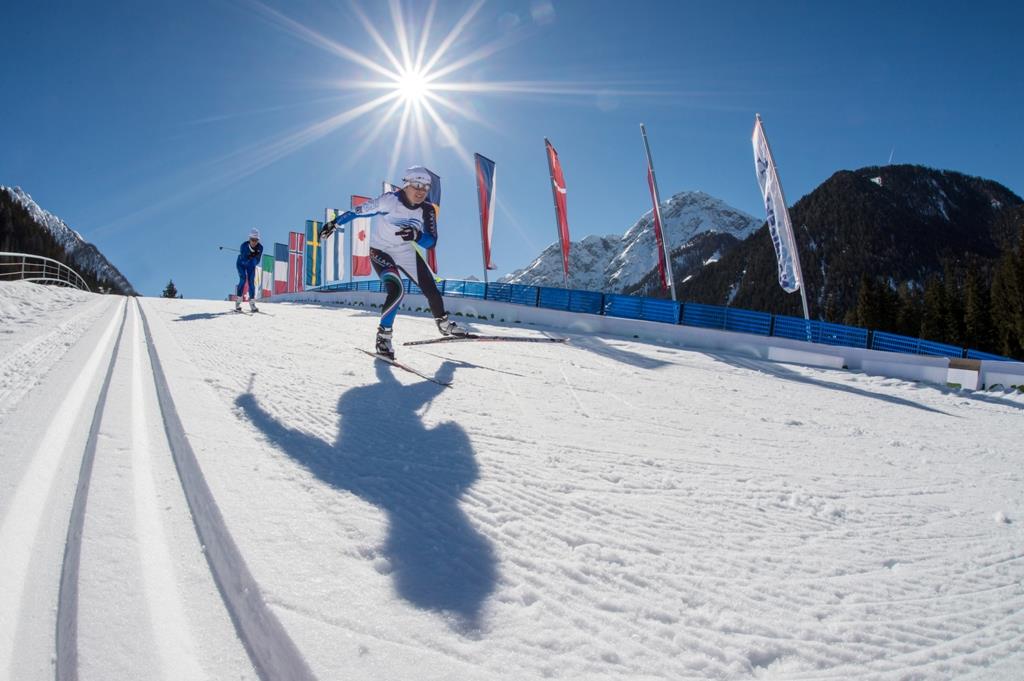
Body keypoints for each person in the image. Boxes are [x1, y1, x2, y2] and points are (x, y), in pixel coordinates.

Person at [320, 165, 466, 358]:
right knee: (397, 289)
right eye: (416, 185)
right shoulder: (389, 201)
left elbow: (431, 242)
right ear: (406, 184)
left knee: (431, 288)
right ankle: (383, 337)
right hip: (381, 251)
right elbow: (358, 211)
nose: (421, 191)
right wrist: (335, 223)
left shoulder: (427, 210)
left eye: (426, 187)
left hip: (405, 251)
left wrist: (416, 234)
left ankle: (444, 324)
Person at [235, 228, 263, 312]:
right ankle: (238, 301)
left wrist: (254, 257)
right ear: (249, 239)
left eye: (256, 240)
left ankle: (252, 303)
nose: (254, 242)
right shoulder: (243, 245)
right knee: (243, 280)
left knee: (251, 282)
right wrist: (249, 256)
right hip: (241, 264)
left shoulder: (260, 248)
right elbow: (243, 259)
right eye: (252, 240)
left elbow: (257, 261)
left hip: (251, 265)